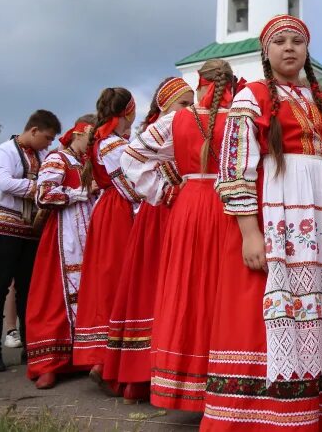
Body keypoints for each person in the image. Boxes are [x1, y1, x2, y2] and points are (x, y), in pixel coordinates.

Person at [206, 15, 322, 431]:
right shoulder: (251, 97)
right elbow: (235, 169)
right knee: (278, 305)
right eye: (280, 42)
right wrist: (249, 232)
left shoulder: (320, 100)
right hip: (280, 211)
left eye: (297, 41)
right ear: (266, 51)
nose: (289, 48)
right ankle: (269, 418)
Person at [121, 59, 236, 411]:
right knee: (224, 291)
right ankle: (223, 384)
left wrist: (161, 191)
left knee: (188, 287)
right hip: (231, 205)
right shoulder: (240, 117)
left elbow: (132, 156)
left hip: (189, 206)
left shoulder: (178, 119)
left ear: (199, 84)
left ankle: (184, 381)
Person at [103, 77, 194, 403]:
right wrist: (163, 191)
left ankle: (157, 375)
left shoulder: (182, 126)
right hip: (160, 213)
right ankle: (138, 375)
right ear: (165, 105)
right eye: (184, 103)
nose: (190, 108)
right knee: (152, 288)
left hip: (174, 212)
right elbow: (135, 166)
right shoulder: (161, 130)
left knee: (169, 290)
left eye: (192, 102)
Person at [0, 109, 61, 372]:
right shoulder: (4, 151)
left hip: (29, 229)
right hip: (1, 225)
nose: (49, 143)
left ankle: (31, 347)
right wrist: (38, 188)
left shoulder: (41, 155)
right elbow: (4, 182)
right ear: (34, 130)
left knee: (28, 289)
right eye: (47, 137)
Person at [72, 88, 142, 387]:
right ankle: (110, 362)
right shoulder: (112, 143)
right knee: (117, 281)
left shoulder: (106, 139)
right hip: (118, 212)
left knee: (110, 280)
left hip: (110, 209)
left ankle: (107, 359)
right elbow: (130, 186)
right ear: (129, 111)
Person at [25, 115, 95, 389]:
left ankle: (82, 357)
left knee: (88, 293)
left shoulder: (87, 162)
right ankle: (48, 363)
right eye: (91, 136)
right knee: (55, 298)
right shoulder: (58, 159)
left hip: (88, 234)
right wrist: (81, 192)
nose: (94, 143)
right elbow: (44, 195)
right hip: (62, 238)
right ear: (79, 133)